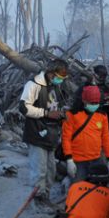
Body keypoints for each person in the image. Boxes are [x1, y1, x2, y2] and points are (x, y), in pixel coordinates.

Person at [19, 59, 69, 202]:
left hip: (51, 135)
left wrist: (60, 115)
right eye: (59, 78)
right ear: (51, 73)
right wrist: (46, 113)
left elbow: (54, 106)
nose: (60, 81)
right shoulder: (33, 85)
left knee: (50, 170)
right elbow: (23, 108)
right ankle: (37, 200)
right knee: (39, 171)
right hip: (36, 133)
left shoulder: (55, 86)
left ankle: (45, 196)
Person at [61, 85, 109, 182]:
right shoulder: (72, 114)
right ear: (84, 101)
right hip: (77, 160)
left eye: (96, 103)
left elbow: (106, 138)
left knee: (98, 188)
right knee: (78, 188)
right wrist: (69, 159)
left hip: (97, 158)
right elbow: (66, 138)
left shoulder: (102, 115)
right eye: (92, 103)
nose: (94, 105)